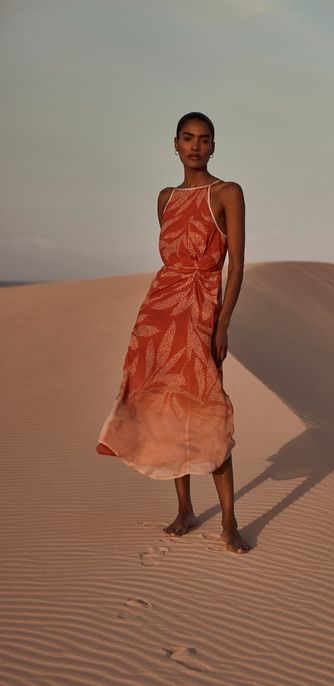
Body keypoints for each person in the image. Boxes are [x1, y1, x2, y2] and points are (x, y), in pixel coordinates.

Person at [96, 111, 250, 554]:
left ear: (214, 146)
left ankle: (229, 521)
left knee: (208, 411)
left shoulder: (228, 193)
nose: (196, 146)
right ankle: (184, 508)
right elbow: (171, 262)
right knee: (165, 409)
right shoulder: (164, 198)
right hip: (159, 313)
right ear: (175, 144)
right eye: (188, 138)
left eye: (204, 139)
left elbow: (236, 265)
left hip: (202, 311)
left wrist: (222, 324)